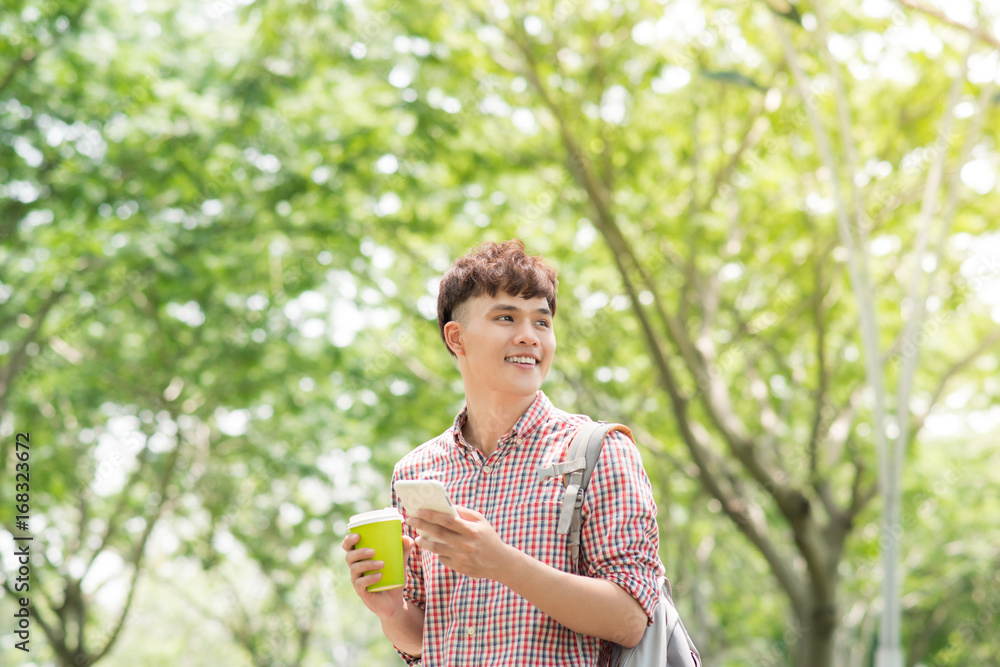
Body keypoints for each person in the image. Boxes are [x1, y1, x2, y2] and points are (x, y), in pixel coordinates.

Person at [342, 239, 663, 666]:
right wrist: (390, 610)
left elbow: (631, 618)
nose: (529, 337)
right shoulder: (416, 472)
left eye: (542, 323)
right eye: (506, 317)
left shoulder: (599, 452)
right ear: (457, 338)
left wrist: (501, 563)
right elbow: (425, 639)